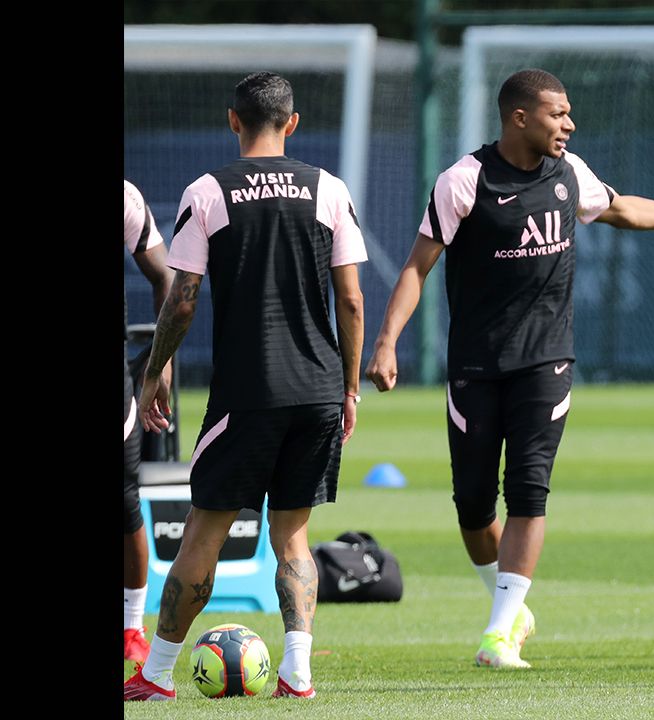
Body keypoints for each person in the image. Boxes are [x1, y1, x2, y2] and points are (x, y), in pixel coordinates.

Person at [364, 68, 654, 670]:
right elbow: (416, 267)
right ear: (519, 118)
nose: (569, 124)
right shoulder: (464, 182)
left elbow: (622, 210)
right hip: (475, 364)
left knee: (529, 488)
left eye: (568, 114)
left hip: (547, 360)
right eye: (557, 113)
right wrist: (386, 343)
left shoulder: (571, 173)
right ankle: (509, 608)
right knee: (472, 507)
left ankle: (496, 634)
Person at [123, 71, 368, 701]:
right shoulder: (330, 189)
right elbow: (351, 300)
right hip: (317, 389)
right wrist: (347, 389)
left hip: (248, 393)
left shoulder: (208, 191)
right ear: (292, 123)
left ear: (234, 121)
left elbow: (180, 302)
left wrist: (153, 374)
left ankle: (155, 676)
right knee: (293, 534)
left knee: (206, 529)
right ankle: (298, 676)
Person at [123, 179, 176, 663]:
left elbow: (166, 277)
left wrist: (160, 364)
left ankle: (131, 629)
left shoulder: (126, 197)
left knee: (124, 501)